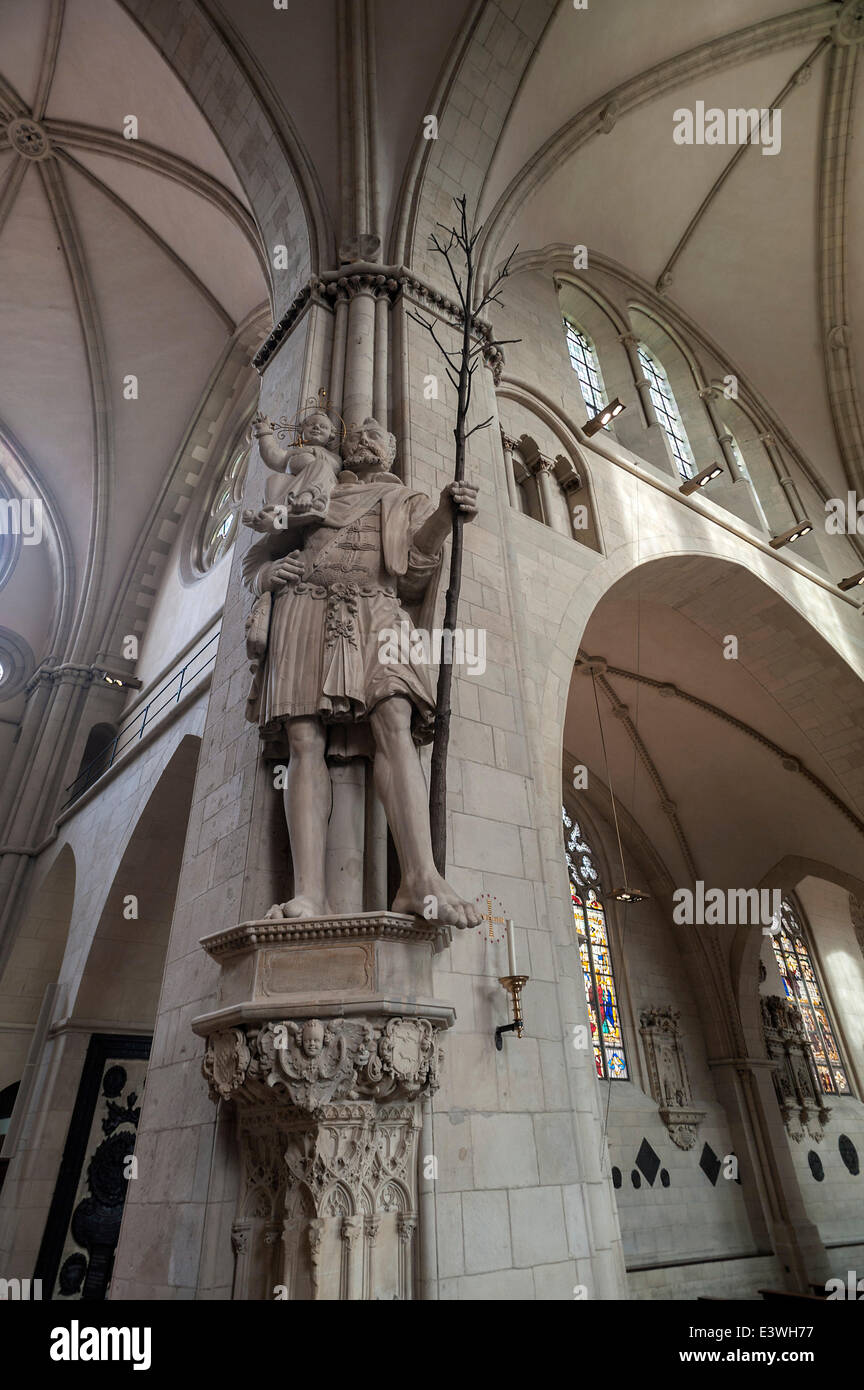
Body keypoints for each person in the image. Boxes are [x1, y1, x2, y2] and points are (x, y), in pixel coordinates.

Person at [242, 416, 482, 931]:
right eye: (357, 435)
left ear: (392, 450)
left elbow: (415, 570)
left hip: (379, 609)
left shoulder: (406, 500)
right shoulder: (313, 485)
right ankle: (309, 892)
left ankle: (420, 877)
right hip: (305, 606)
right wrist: (268, 575)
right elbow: (259, 554)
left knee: (396, 719)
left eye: (376, 434)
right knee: (304, 737)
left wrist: (444, 513)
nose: (364, 438)